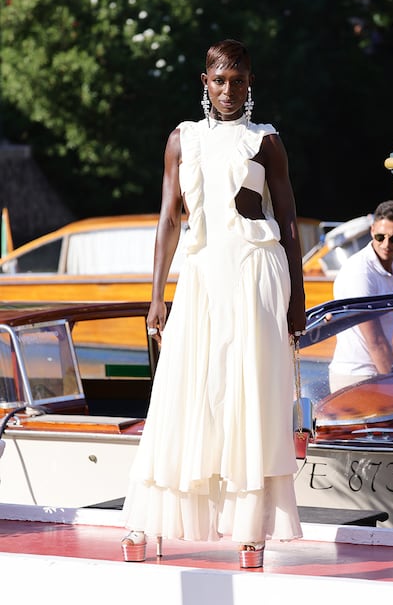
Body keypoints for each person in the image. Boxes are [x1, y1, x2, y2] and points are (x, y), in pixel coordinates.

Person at [121, 39, 306, 569]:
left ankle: (251, 533)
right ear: (205, 81)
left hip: (254, 275)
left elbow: (289, 220)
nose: (229, 90)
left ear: (250, 83)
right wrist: (157, 295)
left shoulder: (266, 140)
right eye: (220, 80)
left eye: (239, 80)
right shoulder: (182, 139)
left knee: (250, 396)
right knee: (184, 393)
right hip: (200, 278)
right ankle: (148, 518)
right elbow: (168, 219)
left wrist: (298, 298)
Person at [329, 200, 393, 392]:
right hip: (355, 377)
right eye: (380, 236)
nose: (386, 244)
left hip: (379, 371)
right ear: (372, 230)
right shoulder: (360, 273)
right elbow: (375, 340)